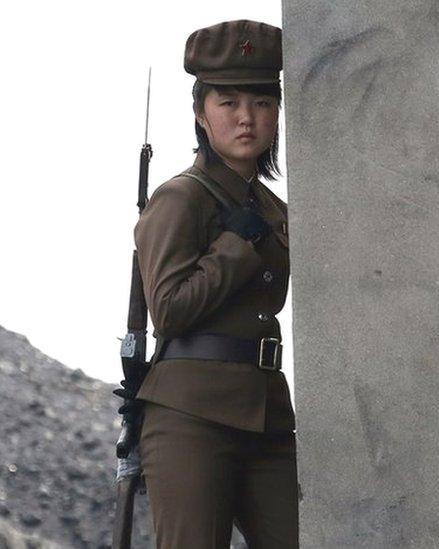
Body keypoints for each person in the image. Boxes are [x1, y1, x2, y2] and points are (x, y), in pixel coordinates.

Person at [131, 19, 298, 548]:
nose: (246, 118)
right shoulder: (181, 197)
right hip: (190, 417)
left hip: (267, 416)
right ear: (201, 114)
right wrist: (238, 246)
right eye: (228, 103)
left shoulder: (275, 211)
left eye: (262, 102)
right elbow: (170, 310)